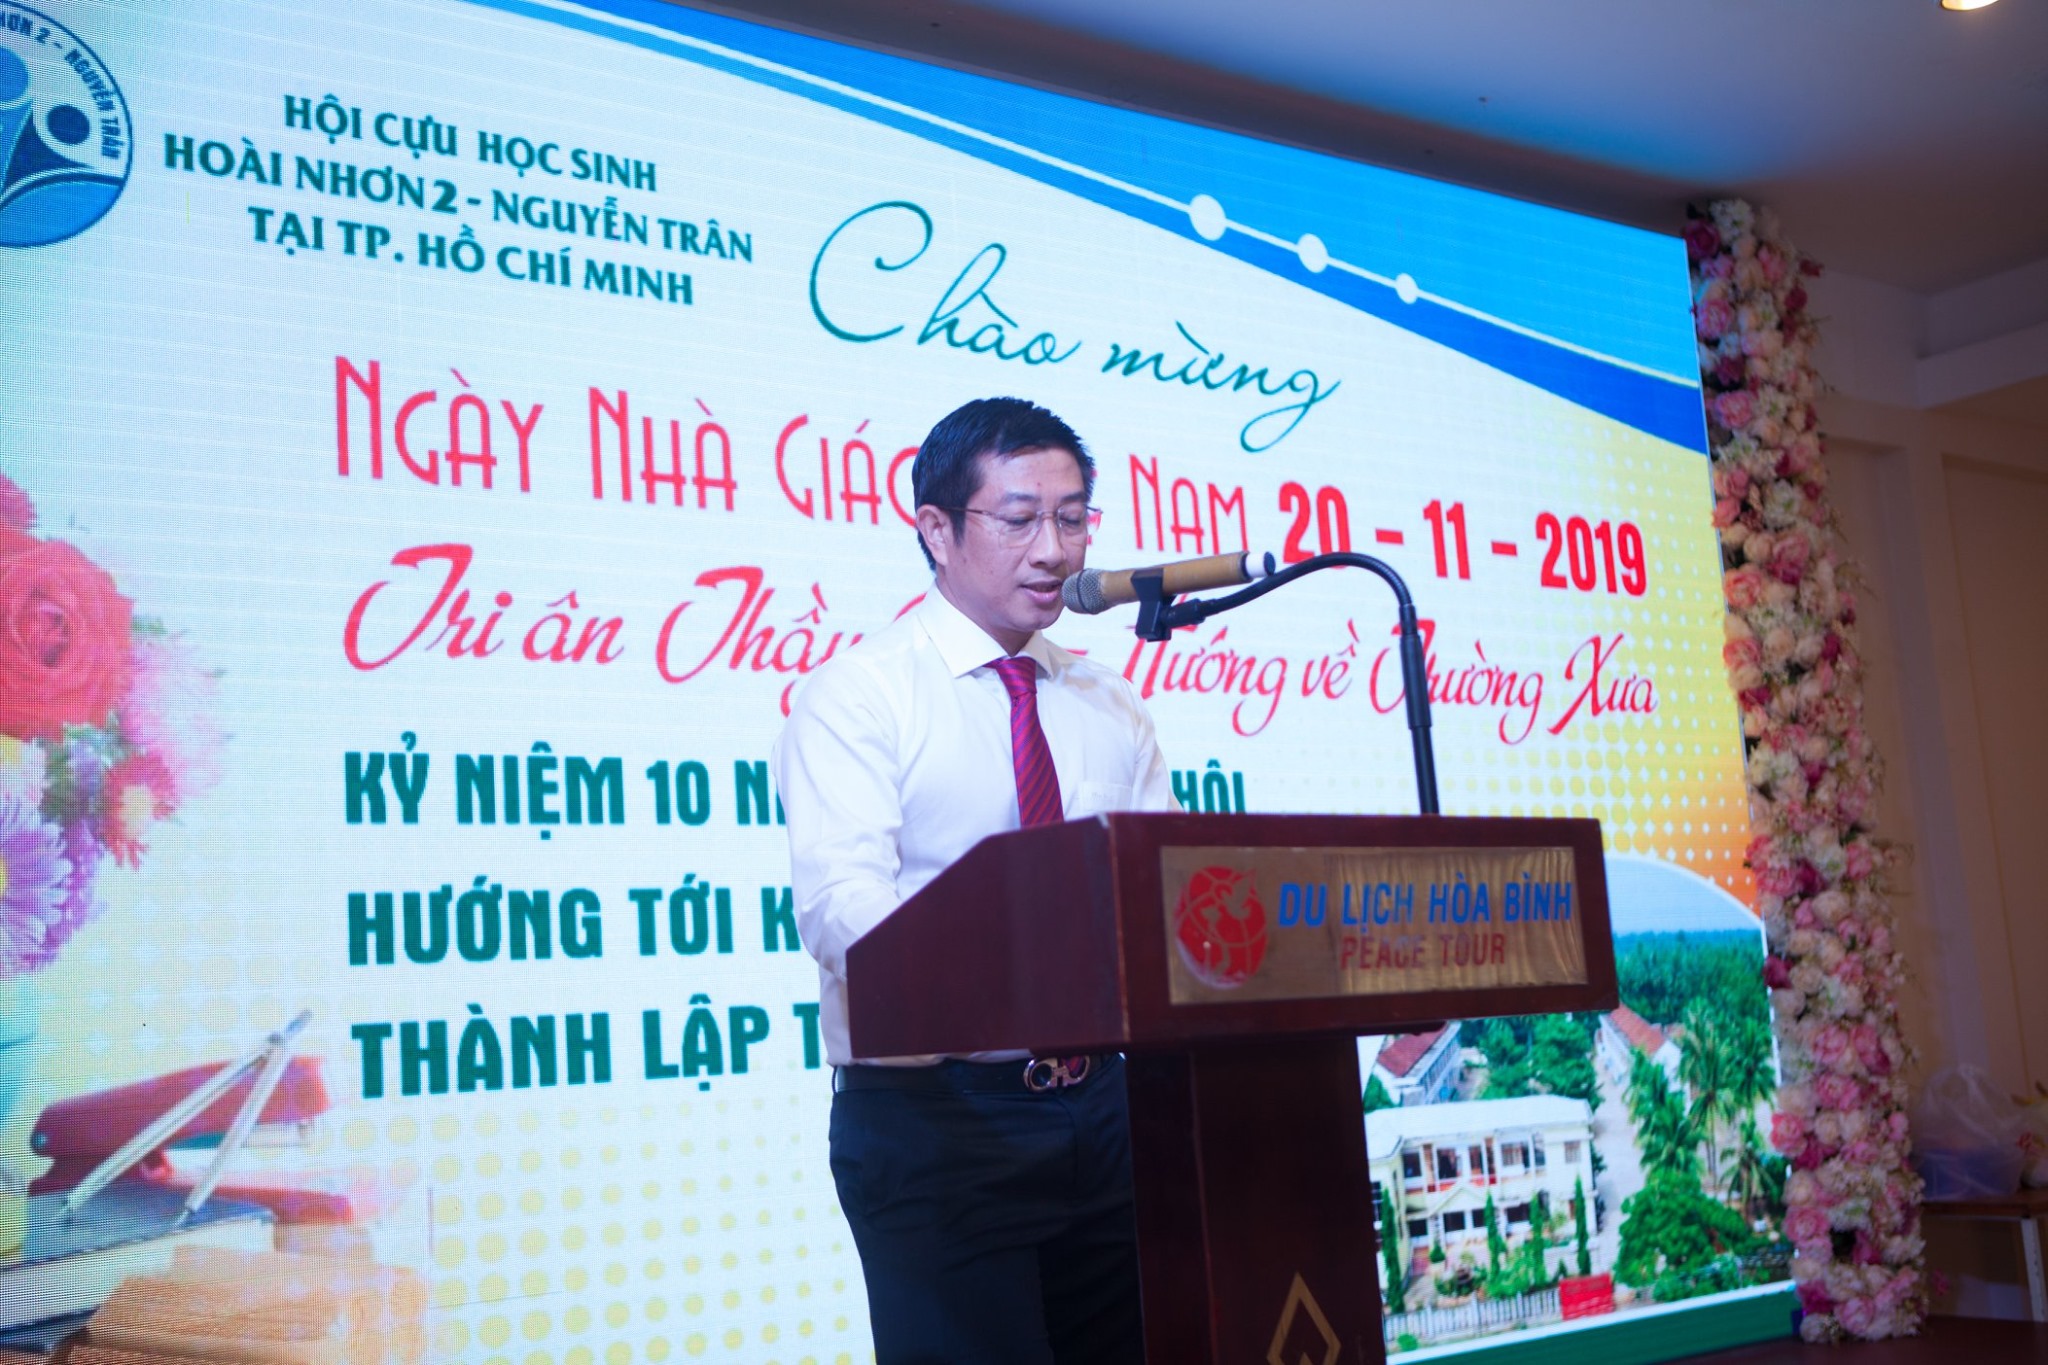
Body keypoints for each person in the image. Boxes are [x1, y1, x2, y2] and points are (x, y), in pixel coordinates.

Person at [770, 396, 1174, 1365]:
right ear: (937, 530)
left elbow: (1161, 896)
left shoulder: (1108, 702)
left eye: (1072, 518)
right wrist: (1009, 976)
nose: (1054, 550)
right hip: (937, 1123)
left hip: (1107, 1115)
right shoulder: (861, 695)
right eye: (1020, 518)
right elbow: (842, 913)